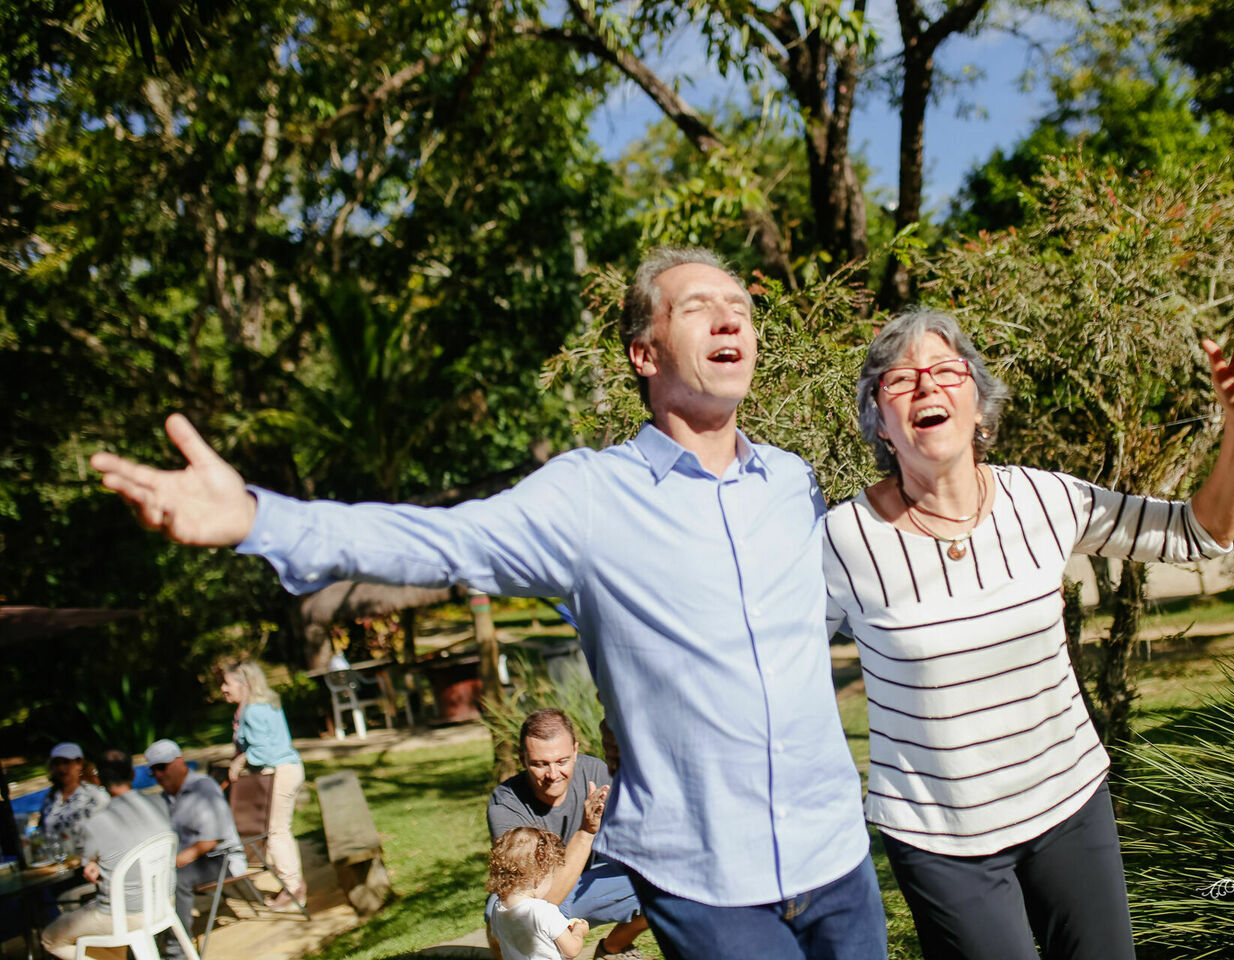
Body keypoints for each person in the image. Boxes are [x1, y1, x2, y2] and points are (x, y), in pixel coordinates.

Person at [91, 247, 886, 960]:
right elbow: (442, 542)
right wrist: (261, 519)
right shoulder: (589, 496)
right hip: (708, 879)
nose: (731, 320)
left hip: (837, 856)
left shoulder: (792, 482)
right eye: (699, 308)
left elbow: (818, 620)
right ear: (644, 353)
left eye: (741, 310)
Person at [822, 309, 1234, 960]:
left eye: (946, 370)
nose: (926, 386)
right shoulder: (841, 541)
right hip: (940, 839)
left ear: (981, 409)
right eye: (900, 380)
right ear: (879, 421)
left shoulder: (1045, 500)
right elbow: (774, 663)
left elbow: (1198, 533)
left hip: (1070, 806)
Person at [486, 710, 646, 960]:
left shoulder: (596, 772)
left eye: (562, 761)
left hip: (588, 885)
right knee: (497, 913)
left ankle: (614, 949)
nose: (552, 774)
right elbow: (540, 899)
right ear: (522, 757)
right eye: (540, 764)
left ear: (575, 750)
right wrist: (587, 831)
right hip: (538, 894)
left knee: (662, 882)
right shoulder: (506, 803)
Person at [40, 750, 175, 960]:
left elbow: (89, 870)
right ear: (132, 774)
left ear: (98, 779)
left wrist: (93, 865)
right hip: (165, 901)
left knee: (50, 938)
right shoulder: (160, 803)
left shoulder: (97, 822)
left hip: (125, 915)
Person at [143, 739, 246, 960]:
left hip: (222, 859)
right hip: (191, 861)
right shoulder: (165, 798)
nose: (159, 775)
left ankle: (176, 951)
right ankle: (148, 943)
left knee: (178, 878)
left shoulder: (203, 788)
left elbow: (209, 840)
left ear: (180, 762)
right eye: (154, 771)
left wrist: (173, 862)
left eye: (162, 767)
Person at [219, 659, 307, 907]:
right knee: (277, 830)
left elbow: (265, 751)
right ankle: (293, 882)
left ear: (244, 684)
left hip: (279, 772)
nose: (224, 689)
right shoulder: (263, 704)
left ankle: (293, 888)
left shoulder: (254, 711)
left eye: (227, 684)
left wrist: (241, 760)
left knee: (277, 832)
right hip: (289, 767)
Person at [487, 826, 590, 960]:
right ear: (538, 877)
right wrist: (579, 931)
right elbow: (572, 950)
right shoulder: (543, 911)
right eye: (550, 875)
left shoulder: (498, 908)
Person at [38, 743, 109, 857]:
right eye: (57, 763)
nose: (61, 768)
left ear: (79, 764)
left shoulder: (95, 795)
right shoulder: (50, 798)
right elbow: (41, 832)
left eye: (66, 762)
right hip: (56, 861)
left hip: (90, 860)